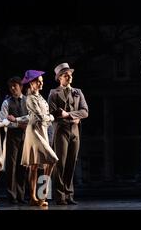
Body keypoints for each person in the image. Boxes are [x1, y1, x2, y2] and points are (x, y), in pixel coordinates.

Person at [48, 63, 89, 205]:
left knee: (72, 163)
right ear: (60, 77)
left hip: (74, 130)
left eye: (70, 74)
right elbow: (54, 112)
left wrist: (69, 115)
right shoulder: (53, 93)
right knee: (61, 163)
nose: (69, 76)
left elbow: (85, 111)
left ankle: (69, 194)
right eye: (66, 74)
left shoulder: (78, 91)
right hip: (61, 130)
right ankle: (60, 196)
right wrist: (70, 116)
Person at [21, 70, 58, 206]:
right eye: (38, 81)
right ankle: (38, 196)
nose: (41, 83)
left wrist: (17, 119)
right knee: (48, 160)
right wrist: (52, 117)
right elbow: (40, 117)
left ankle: (37, 197)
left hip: (41, 131)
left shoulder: (40, 97)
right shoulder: (30, 98)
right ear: (31, 83)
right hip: (34, 132)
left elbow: (33, 116)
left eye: (42, 81)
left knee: (37, 165)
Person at [0, 76, 29, 204]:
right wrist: (19, 124)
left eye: (15, 86)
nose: (12, 88)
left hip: (26, 136)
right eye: (10, 86)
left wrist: (17, 120)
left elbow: (31, 118)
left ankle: (21, 196)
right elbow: (3, 120)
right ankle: (12, 196)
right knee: (11, 167)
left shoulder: (27, 101)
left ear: (21, 87)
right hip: (12, 137)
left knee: (23, 166)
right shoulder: (6, 102)